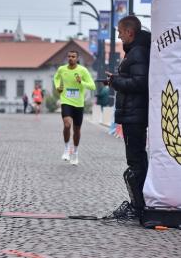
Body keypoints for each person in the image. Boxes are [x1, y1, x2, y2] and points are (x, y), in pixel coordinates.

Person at [105, 16, 150, 221]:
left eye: (120, 32)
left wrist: (115, 81)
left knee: (136, 161)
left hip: (135, 115)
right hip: (132, 114)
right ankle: (138, 204)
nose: (118, 35)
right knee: (136, 160)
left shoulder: (138, 52)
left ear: (130, 32)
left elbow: (140, 84)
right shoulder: (135, 51)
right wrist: (115, 80)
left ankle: (139, 206)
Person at [53, 50, 96, 165]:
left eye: (73, 56)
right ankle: (67, 148)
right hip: (66, 101)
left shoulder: (83, 70)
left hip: (79, 104)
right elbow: (56, 78)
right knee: (67, 125)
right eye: (69, 56)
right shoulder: (62, 69)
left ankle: (75, 153)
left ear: (77, 58)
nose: (71, 58)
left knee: (77, 130)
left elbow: (92, 86)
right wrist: (58, 87)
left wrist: (81, 82)